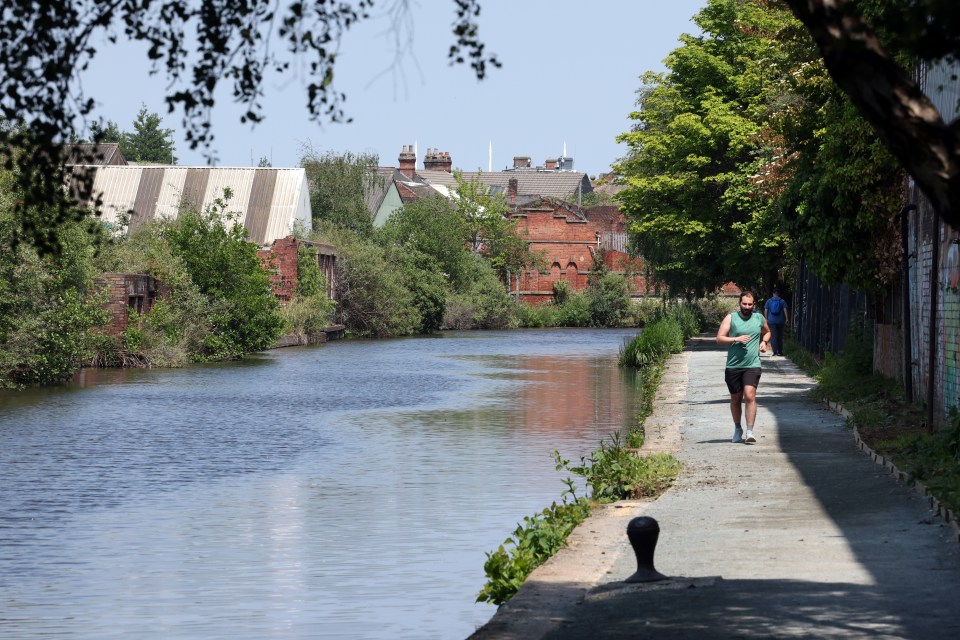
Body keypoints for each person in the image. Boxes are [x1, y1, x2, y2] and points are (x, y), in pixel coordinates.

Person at [716, 291, 771, 444]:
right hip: (733, 365)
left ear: (754, 305)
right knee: (735, 398)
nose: (747, 307)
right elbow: (719, 338)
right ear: (739, 303)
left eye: (750, 304)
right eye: (744, 304)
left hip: (752, 364)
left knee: (750, 395)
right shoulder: (731, 318)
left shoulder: (759, 318)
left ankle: (750, 431)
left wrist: (764, 342)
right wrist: (736, 339)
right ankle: (737, 428)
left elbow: (767, 332)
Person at [764, 287, 788, 356]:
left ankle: (774, 352)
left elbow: (766, 310)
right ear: (778, 293)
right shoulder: (782, 301)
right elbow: (785, 310)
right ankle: (780, 352)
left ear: (773, 293)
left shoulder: (769, 301)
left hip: (771, 321)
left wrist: (766, 319)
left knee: (773, 336)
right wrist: (786, 319)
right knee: (780, 336)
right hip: (780, 321)